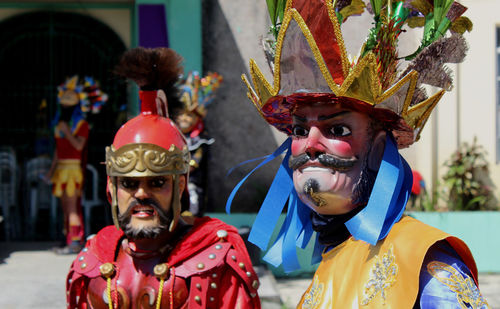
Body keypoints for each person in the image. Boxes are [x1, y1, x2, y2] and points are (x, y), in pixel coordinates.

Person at [228, 0, 489, 307]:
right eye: (299, 130)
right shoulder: (327, 267)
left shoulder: (421, 259)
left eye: (337, 130)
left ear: (378, 150)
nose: (310, 143)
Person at [66, 47, 261, 309]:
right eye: (129, 183)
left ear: (179, 185)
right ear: (111, 189)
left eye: (157, 182)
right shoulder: (91, 262)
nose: (142, 194)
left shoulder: (216, 259)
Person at [47, 76, 89, 254]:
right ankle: (68, 240)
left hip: (72, 169)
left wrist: (67, 132)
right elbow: (58, 151)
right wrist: (51, 171)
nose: (65, 107)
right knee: (66, 208)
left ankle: (75, 242)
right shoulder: (60, 125)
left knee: (72, 208)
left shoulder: (82, 124)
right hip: (61, 169)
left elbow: (79, 146)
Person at [176, 72, 223, 216]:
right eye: (181, 114)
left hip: (191, 181)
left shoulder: (200, 141)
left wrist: (181, 169)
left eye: (189, 115)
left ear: (198, 119)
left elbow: (195, 161)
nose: (184, 118)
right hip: (173, 180)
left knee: (193, 198)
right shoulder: (172, 137)